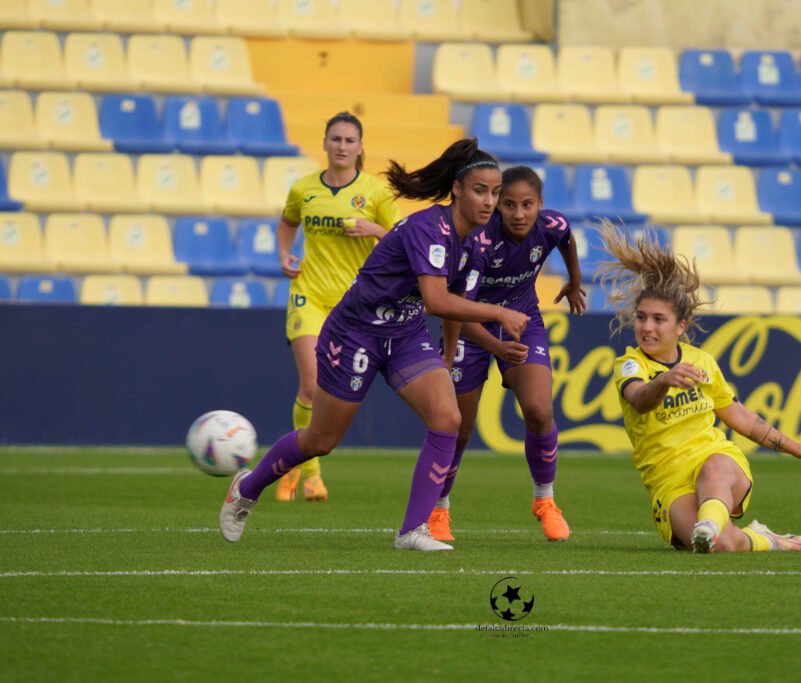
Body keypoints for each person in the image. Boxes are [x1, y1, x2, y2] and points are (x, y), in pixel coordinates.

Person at [219, 139, 529, 552]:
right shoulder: (428, 229)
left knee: (447, 419)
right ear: (456, 189)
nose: (489, 201)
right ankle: (247, 489)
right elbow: (438, 300)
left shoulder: (475, 242)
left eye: (495, 192)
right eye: (480, 190)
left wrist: (451, 354)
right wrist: (499, 313)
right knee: (320, 440)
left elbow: (454, 307)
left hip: (405, 333)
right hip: (355, 332)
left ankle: (412, 531)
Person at [599, 221, 801, 553]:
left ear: (680, 326)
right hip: (669, 481)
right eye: (641, 317)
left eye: (658, 319)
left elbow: (739, 416)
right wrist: (663, 382)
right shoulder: (630, 364)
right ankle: (766, 539)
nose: (647, 327)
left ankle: (710, 521)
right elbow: (639, 399)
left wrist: (795, 447)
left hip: (718, 463)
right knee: (721, 545)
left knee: (713, 468)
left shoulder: (702, 362)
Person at [428, 166, 586, 543]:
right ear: (498, 205)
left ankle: (545, 501)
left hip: (523, 319)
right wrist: (495, 345)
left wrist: (574, 280)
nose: (519, 213)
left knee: (539, 410)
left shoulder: (551, 225)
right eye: (509, 204)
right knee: (459, 430)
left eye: (527, 204)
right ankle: (438, 509)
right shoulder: (480, 243)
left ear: (540, 205)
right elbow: (455, 308)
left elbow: (566, 238)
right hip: (471, 327)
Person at [275, 112, 400, 503]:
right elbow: (287, 221)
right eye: (336, 139)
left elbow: (401, 239)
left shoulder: (376, 193)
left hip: (352, 305)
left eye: (349, 140)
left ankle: (297, 459)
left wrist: (374, 230)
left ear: (361, 147)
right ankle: (308, 474)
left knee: (333, 393)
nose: (342, 146)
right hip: (309, 294)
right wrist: (284, 253)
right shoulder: (303, 189)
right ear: (325, 144)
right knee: (311, 385)